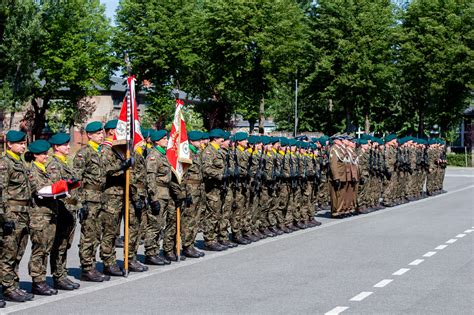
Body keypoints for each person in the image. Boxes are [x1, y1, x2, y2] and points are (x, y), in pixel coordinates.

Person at [0, 130, 35, 302]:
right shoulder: (4, 163)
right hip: (12, 214)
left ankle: (13, 284)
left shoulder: (19, 162)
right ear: (9, 144)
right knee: (8, 253)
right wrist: (6, 217)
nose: (23, 146)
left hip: (23, 214)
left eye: (24, 143)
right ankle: (7, 287)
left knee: (19, 252)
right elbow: (2, 192)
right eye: (20, 143)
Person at [73, 121, 110, 282]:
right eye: (97, 134)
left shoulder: (101, 152)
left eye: (102, 133)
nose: (101, 136)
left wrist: (122, 166)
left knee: (97, 234)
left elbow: (106, 171)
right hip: (89, 199)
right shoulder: (84, 153)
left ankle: (92, 265)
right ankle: (87, 268)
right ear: (89, 135)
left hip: (101, 198)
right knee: (88, 235)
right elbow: (76, 179)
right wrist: (80, 202)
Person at [47, 133, 81, 290]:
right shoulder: (54, 164)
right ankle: (58, 276)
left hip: (70, 209)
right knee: (59, 244)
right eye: (65, 145)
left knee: (65, 244)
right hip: (61, 209)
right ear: (56, 147)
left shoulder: (65, 162)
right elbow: (55, 188)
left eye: (68, 144)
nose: (68, 147)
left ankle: (62, 273)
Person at [144, 130, 173, 264]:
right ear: (157, 141)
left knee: (160, 224)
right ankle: (150, 253)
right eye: (164, 138)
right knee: (154, 225)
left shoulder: (163, 155)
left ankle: (155, 251)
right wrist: (153, 198)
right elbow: (150, 178)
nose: (167, 140)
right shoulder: (153, 156)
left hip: (165, 194)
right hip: (158, 194)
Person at [181, 131, 206, 257]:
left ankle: (191, 243)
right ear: (191, 141)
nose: (201, 142)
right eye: (198, 140)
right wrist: (185, 192)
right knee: (189, 219)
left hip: (198, 189)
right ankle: (186, 245)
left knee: (195, 218)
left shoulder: (196, 153)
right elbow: (183, 174)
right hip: (190, 189)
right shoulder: (187, 154)